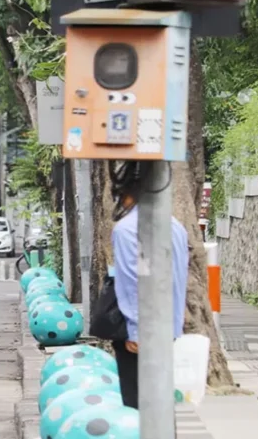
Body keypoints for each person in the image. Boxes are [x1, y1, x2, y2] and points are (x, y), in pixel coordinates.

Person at [111, 174, 189, 410]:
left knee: (137, 405)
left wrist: (135, 331)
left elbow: (132, 281)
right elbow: (179, 278)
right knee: (161, 404)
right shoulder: (175, 226)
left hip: (141, 331)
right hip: (168, 328)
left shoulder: (126, 230)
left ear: (127, 197)